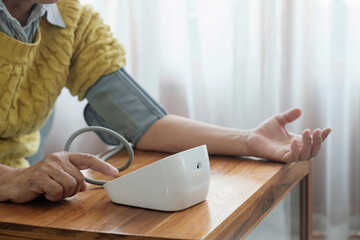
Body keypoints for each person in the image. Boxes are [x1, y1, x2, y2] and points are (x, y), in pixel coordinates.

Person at [0, 0, 331, 203]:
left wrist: (249, 140)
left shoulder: (72, 21)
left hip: (23, 195)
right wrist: (12, 179)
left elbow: (141, 122)